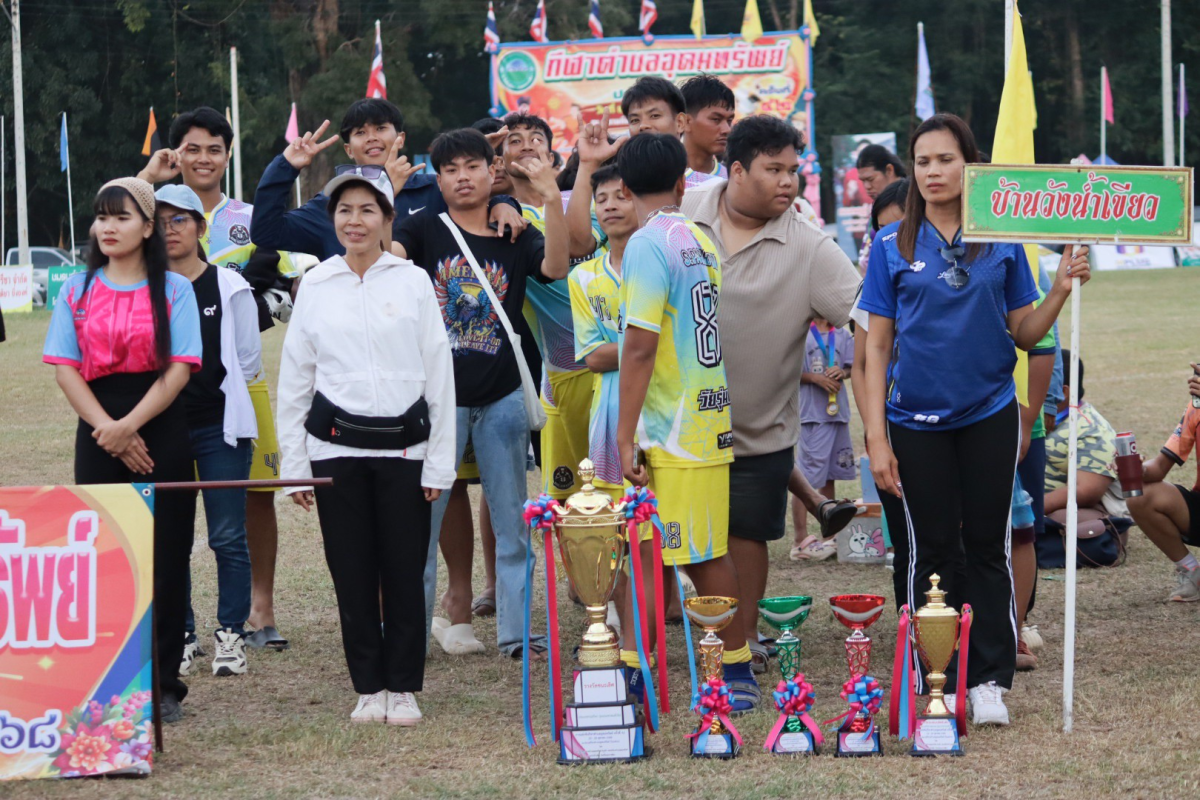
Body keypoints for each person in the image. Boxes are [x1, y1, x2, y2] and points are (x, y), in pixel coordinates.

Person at [860, 113, 1091, 726]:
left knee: (988, 545)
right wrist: (876, 437)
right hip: (912, 422)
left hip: (989, 414)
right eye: (923, 161)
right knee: (931, 548)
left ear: (971, 166)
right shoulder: (889, 246)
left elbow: (1026, 334)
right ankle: (934, 672)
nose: (933, 172)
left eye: (946, 159)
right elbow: (876, 347)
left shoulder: (1003, 239)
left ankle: (989, 679)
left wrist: (1061, 288)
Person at [680, 116, 861, 670]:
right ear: (736, 170)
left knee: (746, 534)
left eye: (793, 170)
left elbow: (867, 318)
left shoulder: (810, 247)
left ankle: (745, 642)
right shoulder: (681, 213)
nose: (788, 181)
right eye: (773, 169)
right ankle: (691, 634)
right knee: (682, 538)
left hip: (758, 431)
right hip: (678, 426)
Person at [277, 168, 455, 724]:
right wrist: (295, 465)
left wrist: (439, 464)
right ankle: (368, 687)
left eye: (367, 210)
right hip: (335, 451)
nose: (354, 221)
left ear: (387, 219)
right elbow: (296, 377)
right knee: (351, 572)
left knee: (403, 571)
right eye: (344, 210)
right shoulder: (316, 284)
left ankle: (402, 687)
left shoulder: (413, 281)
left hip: (405, 451)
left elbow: (438, 372)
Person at [392, 128, 569, 659]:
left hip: (502, 397)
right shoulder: (423, 228)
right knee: (421, 527)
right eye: (450, 170)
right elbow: (384, 262)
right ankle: (411, 638)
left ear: (493, 171)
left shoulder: (515, 231)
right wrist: (387, 194)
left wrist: (550, 199)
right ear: (438, 179)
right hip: (437, 403)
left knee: (512, 522)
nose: (462, 177)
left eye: (472, 166)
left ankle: (516, 635)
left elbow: (556, 267)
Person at [43, 178, 202, 723]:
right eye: (101, 217)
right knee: (107, 560)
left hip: (162, 428)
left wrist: (130, 426)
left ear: (148, 227)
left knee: (166, 557)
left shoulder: (174, 290)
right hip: (97, 431)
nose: (107, 228)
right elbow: (65, 368)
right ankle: (110, 683)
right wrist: (109, 429)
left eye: (122, 217)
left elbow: (179, 368)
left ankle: (163, 686)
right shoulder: (76, 289)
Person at [138, 106, 294, 654]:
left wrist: (252, 307)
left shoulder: (253, 216)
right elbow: (111, 216)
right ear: (175, 154)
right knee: (173, 520)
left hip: (239, 387)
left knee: (255, 498)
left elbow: (284, 288)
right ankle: (180, 629)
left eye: (215, 149)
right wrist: (149, 178)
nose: (204, 159)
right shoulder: (148, 214)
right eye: (193, 149)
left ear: (228, 155)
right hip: (169, 399)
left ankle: (259, 609)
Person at [615, 132, 760, 710]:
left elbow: (640, 346)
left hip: (672, 428)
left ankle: (727, 670)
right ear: (681, 182)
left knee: (682, 555)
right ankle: (647, 671)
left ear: (624, 187)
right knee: (679, 551)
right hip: (704, 417)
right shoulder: (698, 238)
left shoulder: (647, 244)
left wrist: (623, 434)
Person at [155, 184, 262, 678]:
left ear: (201, 227)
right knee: (169, 536)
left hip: (221, 427)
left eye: (180, 219)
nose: (170, 230)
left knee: (227, 535)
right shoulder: (145, 288)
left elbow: (248, 360)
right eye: (160, 222)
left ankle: (231, 634)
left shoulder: (229, 286)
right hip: (164, 430)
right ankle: (181, 634)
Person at [251, 98, 527, 261]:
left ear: (400, 138)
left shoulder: (435, 189)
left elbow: (479, 203)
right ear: (348, 149)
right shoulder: (332, 206)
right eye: (360, 133)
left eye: (381, 128)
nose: (371, 138)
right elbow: (266, 232)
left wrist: (503, 203)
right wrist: (285, 166)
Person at [501, 113, 599, 504]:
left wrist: (585, 167)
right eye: (514, 139)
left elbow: (581, 244)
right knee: (568, 501)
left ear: (551, 152)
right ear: (501, 159)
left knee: (623, 490)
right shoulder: (504, 219)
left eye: (535, 137)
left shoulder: (583, 203)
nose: (526, 143)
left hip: (613, 364)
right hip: (561, 376)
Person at [1127, 369, 1200, 601]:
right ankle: (1191, 571)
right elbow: (1159, 467)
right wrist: (1137, 469)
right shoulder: (1195, 409)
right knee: (1140, 494)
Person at [791, 316, 856, 561]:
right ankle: (800, 541)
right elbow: (787, 371)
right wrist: (815, 378)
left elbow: (853, 367)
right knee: (806, 478)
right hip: (812, 415)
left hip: (837, 414)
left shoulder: (841, 333)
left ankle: (829, 536)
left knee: (829, 476)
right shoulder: (800, 332)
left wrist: (843, 371)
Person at [1042, 352, 1125, 518]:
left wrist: (1027, 511)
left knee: (1062, 519)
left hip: (1072, 512)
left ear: (1063, 392)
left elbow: (1086, 491)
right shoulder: (1030, 415)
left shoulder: (1090, 429)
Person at [679, 74, 735, 181]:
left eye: (729, 121)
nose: (727, 129)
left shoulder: (733, 181)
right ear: (685, 122)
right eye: (716, 119)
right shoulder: (660, 178)